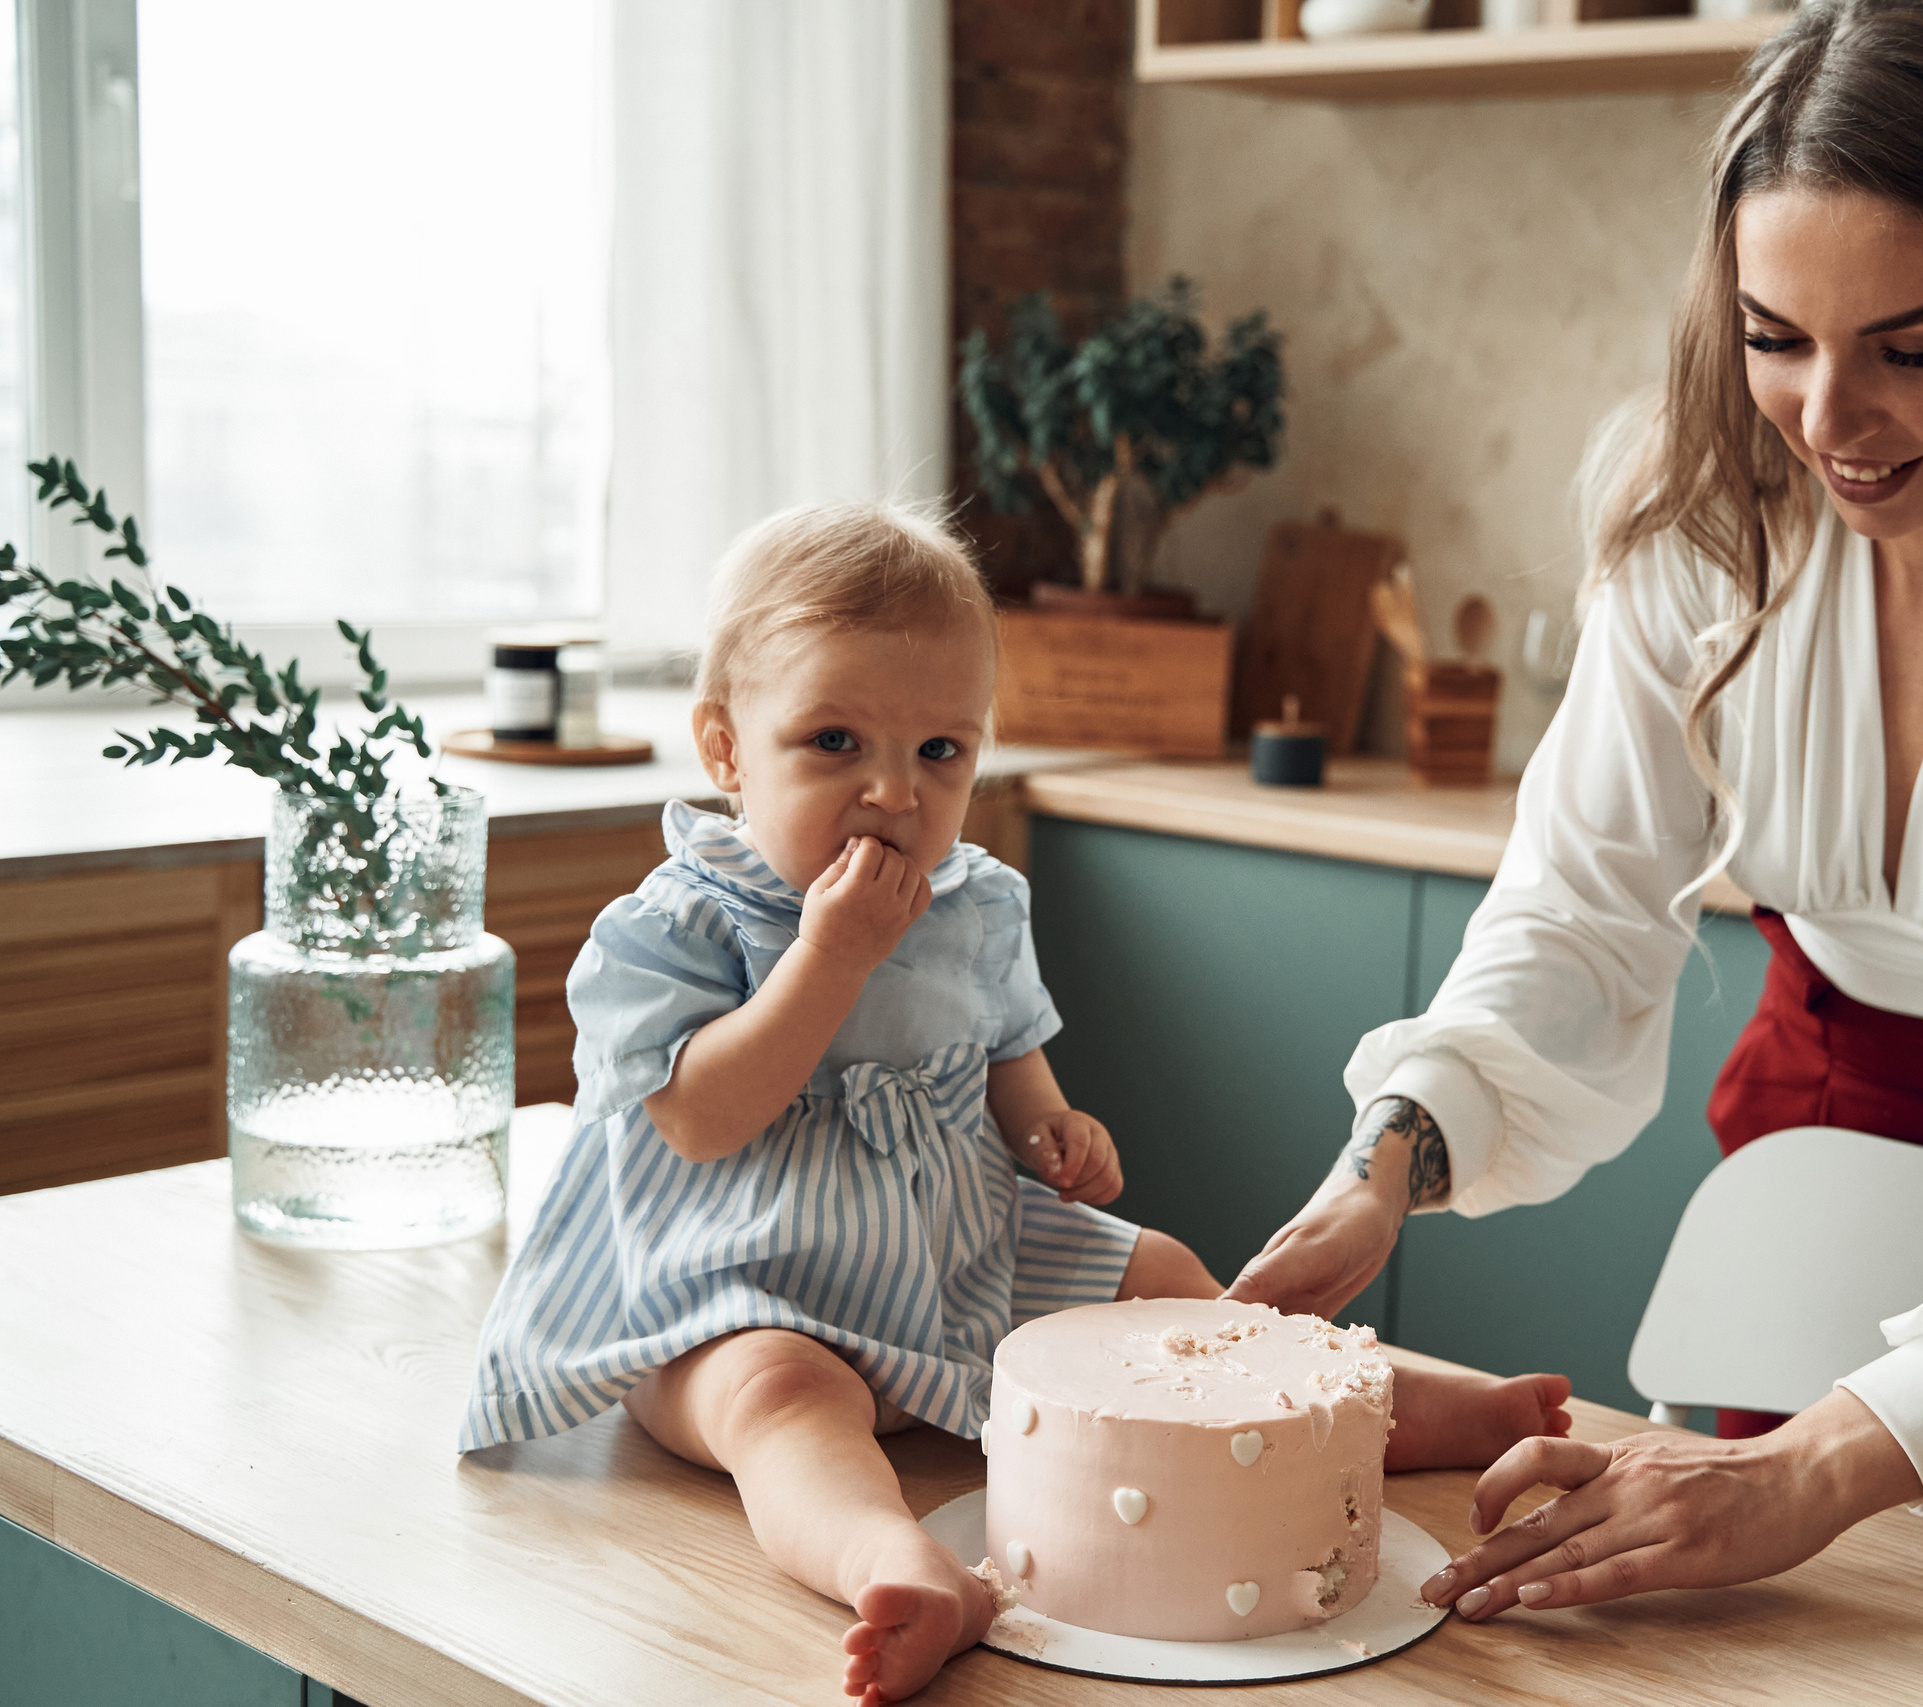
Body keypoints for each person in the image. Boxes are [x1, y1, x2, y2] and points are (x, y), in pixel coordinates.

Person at [1227, 0, 1923, 1628]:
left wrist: (1825, 1462)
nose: (1829, 419)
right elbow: (1578, 903)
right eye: (1777, 337)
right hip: (1824, 1160)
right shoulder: (1698, 529)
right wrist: (1392, 1154)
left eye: (1916, 349)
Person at [458, 502, 1568, 1704]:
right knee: (779, 1401)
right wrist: (829, 956)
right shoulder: (677, 924)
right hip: (728, 1283)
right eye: (834, 741)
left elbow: (1006, 1060)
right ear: (727, 751)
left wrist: (1053, 1128)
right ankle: (890, 1560)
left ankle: (1393, 1411)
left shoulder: (974, 902)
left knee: (1171, 1278)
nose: (892, 791)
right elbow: (700, 1119)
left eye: (940, 751)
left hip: (951, 1254)